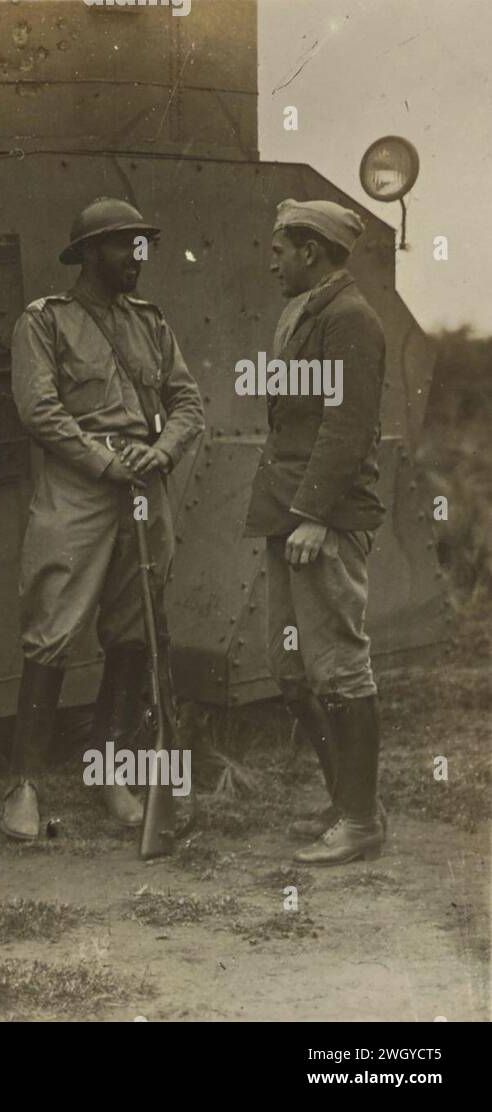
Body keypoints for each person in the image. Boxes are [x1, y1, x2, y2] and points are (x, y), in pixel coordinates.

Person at [2, 197, 205, 841]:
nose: (136, 257)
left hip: (147, 485)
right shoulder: (44, 322)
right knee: (53, 628)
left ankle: (109, 773)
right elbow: (41, 412)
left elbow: (187, 402)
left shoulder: (151, 322)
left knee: (133, 629)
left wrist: (162, 450)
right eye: (124, 245)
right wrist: (105, 462)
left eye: (142, 244)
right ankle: (25, 785)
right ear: (89, 254)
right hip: (79, 490)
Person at [246, 198, 388, 866]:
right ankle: (345, 803)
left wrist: (314, 516)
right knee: (293, 668)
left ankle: (361, 820)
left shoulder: (351, 320)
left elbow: (347, 427)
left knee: (338, 666)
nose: (270, 260)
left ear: (311, 250)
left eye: (280, 248)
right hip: (290, 514)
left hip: (321, 521)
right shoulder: (302, 314)